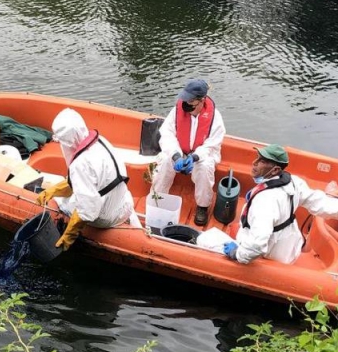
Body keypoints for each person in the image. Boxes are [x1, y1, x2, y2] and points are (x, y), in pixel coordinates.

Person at [222, 144, 338, 265]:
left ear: (275, 169)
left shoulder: (265, 202)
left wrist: (238, 254)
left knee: (226, 233)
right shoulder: (294, 182)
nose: (254, 163)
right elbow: (321, 203)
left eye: (262, 161)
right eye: (257, 158)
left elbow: (258, 244)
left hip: (271, 255)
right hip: (289, 247)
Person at [36, 108, 139, 250]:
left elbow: (88, 211)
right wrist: (53, 191)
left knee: (63, 203)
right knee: (76, 194)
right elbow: (91, 181)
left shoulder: (80, 165)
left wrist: (69, 235)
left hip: (107, 217)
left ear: (67, 141)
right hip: (125, 204)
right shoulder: (101, 142)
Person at [149, 79, 226, 226]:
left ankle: (202, 206)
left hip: (201, 155)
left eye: (191, 102)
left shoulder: (215, 118)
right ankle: (157, 199)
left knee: (205, 168)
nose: (186, 104)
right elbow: (167, 134)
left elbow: (212, 145)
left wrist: (195, 156)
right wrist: (176, 155)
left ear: (202, 100)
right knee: (164, 163)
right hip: (179, 151)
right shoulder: (176, 111)